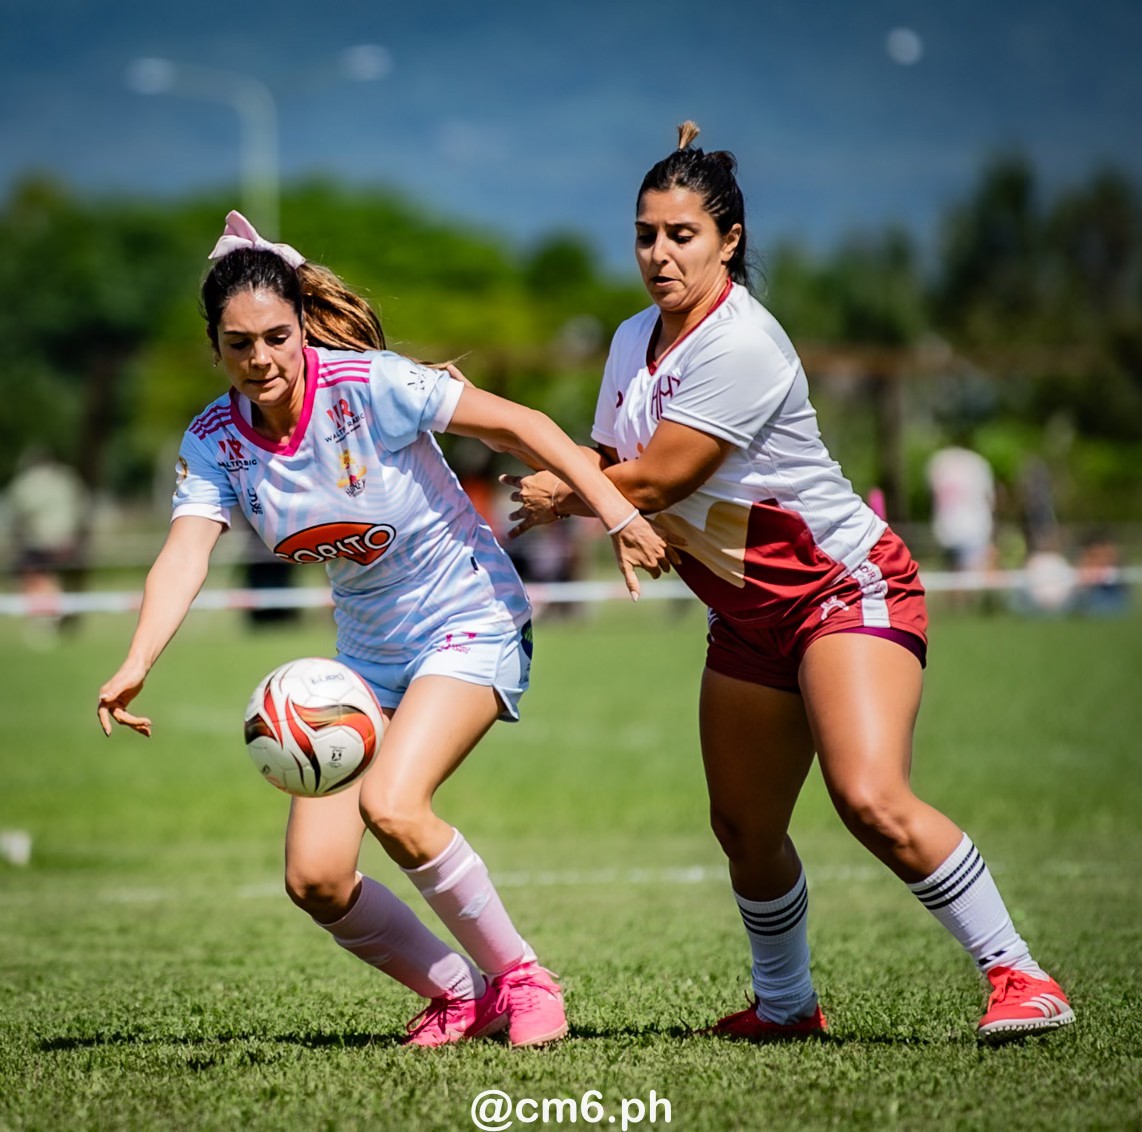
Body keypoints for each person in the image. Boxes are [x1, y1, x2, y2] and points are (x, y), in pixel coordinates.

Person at [504, 123, 1073, 1043]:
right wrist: (538, 456)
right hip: (746, 616)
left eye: (681, 235)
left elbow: (659, 478)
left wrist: (564, 492)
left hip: (842, 592)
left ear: (729, 240)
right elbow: (612, 458)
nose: (658, 254)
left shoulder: (743, 344)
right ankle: (785, 1007)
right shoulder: (630, 338)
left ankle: (1022, 976)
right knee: (744, 826)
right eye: (645, 235)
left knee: (870, 799)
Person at [96, 211, 670, 1049]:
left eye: (277, 337)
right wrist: (137, 658)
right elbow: (184, 553)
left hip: (469, 617)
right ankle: (460, 997)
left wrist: (617, 513)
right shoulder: (216, 441)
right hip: (367, 657)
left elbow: (522, 426)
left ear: (302, 327)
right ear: (215, 348)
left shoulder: (372, 386)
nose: (261, 359)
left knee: (395, 805)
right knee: (316, 878)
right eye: (239, 343)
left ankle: (524, 980)